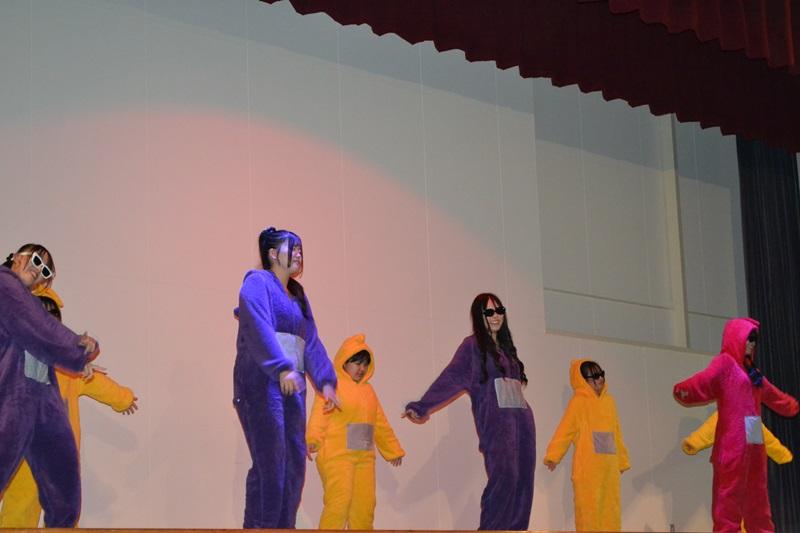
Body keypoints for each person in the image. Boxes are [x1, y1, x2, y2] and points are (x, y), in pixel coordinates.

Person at [0, 288, 138, 528]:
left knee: (62, 505)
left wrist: (123, 398)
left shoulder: (68, 369)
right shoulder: (12, 360)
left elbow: (98, 383)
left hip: (57, 449)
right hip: (22, 452)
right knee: (20, 507)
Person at [233, 227, 338, 528]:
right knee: (271, 463)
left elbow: (311, 342)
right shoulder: (257, 282)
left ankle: (283, 527)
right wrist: (280, 367)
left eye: (301, 248)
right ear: (271, 253)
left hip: (293, 387)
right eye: (293, 247)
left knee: (294, 465)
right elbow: (257, 326)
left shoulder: (298, 297)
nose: (299, 253)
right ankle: (261, 527)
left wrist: (326, 381)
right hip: (260, 385)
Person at [403, 293, 535, 530]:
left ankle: (516, 529)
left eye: (499, 310)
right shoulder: (472, 346)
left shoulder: (507, 349)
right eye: (489, 312)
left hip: (523, 423)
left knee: (523, 480)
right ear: (479, 316)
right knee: (504, 477)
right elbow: (451, 377)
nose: (496, 316)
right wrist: (422, 406)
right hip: (497, 424)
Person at [0, 243, 99, 527]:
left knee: (64, 484)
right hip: (10, 398)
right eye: (35, 260)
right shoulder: (4, 283)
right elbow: (40, 327)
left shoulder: (31, 303)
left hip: (43, 399)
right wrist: (78, 351)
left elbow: (43, 327)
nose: (38, 270)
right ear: (16, 257)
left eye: (45, 270)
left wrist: (81, 348)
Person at [673, 318, 799, 533]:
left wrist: (791, 405)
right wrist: (683, 390)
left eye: (754, 341)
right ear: (736, 339)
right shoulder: (725, 363)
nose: (751, 345)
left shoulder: (753, 372)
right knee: (728, 500)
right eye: (748, 339)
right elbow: (704, 382)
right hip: (732, 442)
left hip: (753, 439)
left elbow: (772, 394)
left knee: (758, 499)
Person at [306, 333, 404, 529]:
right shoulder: (332, 385)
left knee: (365, 506)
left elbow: (380, 423)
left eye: (365, 364)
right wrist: (312, 440)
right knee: (339, 503)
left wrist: (393, 449)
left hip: (364, 458)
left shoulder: (369, 391)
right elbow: (319, 414)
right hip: (337, 456)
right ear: (344, 361)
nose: (362, 368)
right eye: (357, 363)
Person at [543, 359, 629, 532]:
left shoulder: (609, 402)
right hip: (588, 470)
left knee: (611, 510)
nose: (600, 379)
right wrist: (553, 456)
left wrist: (622, 460)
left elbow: (616, 431)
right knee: (588, 512)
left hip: (609, 469)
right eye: (594, 376)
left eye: (601, 374)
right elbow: (565, 430)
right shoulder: (578, 402)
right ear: (583, 380)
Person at [682, 411, 792, 465]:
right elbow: (707, 431)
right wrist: (693, 443)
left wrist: (781, 454)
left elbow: (767, 440)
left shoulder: (750, 419)